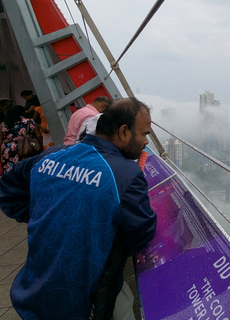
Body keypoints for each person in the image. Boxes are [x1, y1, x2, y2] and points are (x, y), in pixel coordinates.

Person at [0, 98, 157, 319]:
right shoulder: (126, 176)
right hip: (82, 299)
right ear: (123, 132)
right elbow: (139, 234)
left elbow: (7, 190)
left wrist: (42, 215)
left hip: (32, 290)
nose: (146, 142)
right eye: (143, 134)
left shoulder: (51, 155)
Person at [0, 105, 40, 176]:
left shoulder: (3, 125)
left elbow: (0, 140)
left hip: (8, 150)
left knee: (11, 172)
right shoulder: (30, 121)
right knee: (28, 169)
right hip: (27, 147)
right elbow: (38, 135)